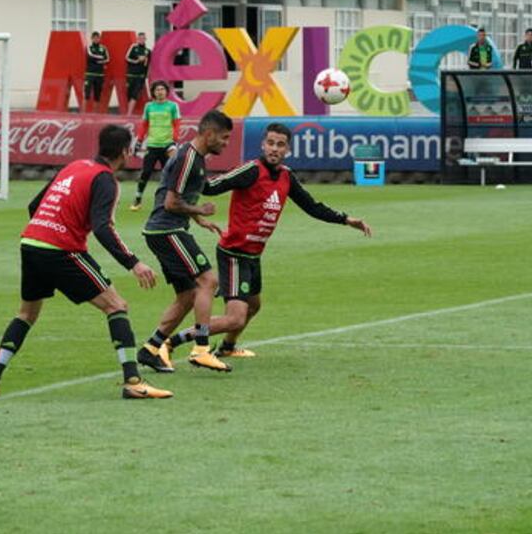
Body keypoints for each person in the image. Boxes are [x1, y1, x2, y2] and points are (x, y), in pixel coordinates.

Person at [0, 124, 171, 400]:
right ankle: (133, 381)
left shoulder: (74, 166)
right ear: (126, 151)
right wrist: (134, 263)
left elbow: (35, 206)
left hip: (31, 243)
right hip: (61, 250)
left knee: (26, 314)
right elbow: (103, 228)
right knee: (117, 306)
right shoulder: (105, 179)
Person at [150, 123, 372, 362]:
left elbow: (312, 207)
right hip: (234, 253)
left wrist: (346, 219)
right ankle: (171, 342)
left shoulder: (286, 176)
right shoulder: (250, 170)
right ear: (262, 145)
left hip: (253, 255)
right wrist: (188, 165)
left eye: (280, 145)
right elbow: (211, 187)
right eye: (270, 143)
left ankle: (227, 347)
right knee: (235, 317)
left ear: (288, 149)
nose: (274, 149)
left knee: (253, 306)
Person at [136, 110, 234, 374]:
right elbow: (170, 202)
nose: (226, 143)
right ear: (209, 133)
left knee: (189, 294)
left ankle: (150, 349)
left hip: (166, 230)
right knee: (208, 281)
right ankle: (201, 348)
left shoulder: (196, 158)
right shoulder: (188, 158)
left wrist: (199, 220)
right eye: (224, 138)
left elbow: (177, 198)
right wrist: (200, 211)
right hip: (166, 230)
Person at [130, 81, 179, 211]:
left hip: (167, 145)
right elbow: (144, 125)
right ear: (153, 92)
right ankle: (138, 198)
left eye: (162, 89)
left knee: (168, 174)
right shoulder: (149, 106)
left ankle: (167, 200)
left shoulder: (173, 106)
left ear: (166, 91)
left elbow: (176, 124)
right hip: (152, 145)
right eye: (157, 90)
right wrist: (139, 141)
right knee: (145, 173)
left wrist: (174, 141)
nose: (160, 92)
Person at [125, 32, 151, 115]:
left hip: (140, 76)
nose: (142, 40)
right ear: (137, 39)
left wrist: (147, 74)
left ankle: (129, 114)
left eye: (143, 38)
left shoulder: (148, 51)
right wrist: (137, 60)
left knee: (135, 94)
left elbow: (148, 64)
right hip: (131, 75)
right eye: (140, 38)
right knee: (129, 94)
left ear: (145, 39)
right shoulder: (133, 47)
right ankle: (129, 112)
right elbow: (126, 58)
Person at [84, 31, 109, 112]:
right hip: (90, 74)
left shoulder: (103, 48)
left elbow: (107, 59)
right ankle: (82, 113)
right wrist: (101, 57)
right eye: (94, 38)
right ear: (91, 39)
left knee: (97, 95)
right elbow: (90, 56)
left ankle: (95, 114)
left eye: (97, 38)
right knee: (86, 94)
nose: (96, 39)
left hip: (100, 74)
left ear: (99, 38)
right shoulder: (89, 47)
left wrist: (100, 61)